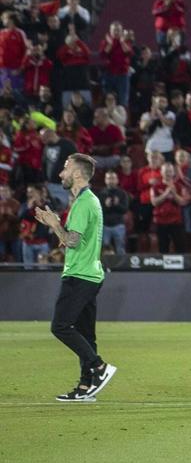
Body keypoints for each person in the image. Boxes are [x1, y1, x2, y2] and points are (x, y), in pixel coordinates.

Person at [42, 154, 116, 402]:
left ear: (76, 173)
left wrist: (54, 224)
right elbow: (74, 240)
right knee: (85, 334)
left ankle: (98, 367)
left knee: (60, 326)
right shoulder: (87, 201)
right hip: (91, 273)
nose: (61, 173)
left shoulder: (84, 203)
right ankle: (86, 387)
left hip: (80, 275)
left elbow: (71, 241)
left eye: (65, 168)